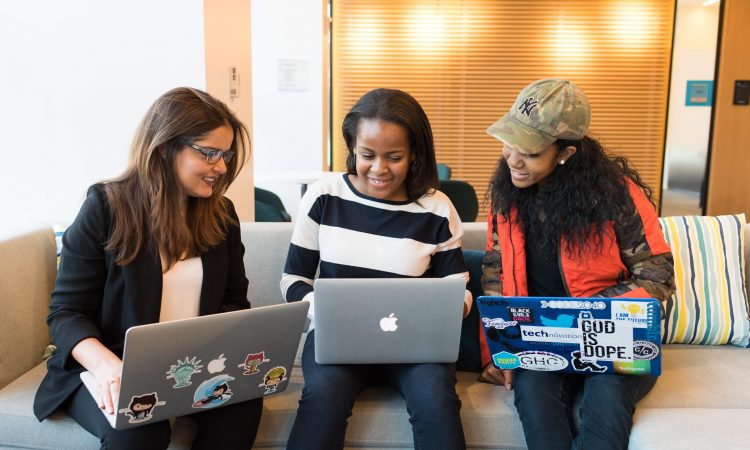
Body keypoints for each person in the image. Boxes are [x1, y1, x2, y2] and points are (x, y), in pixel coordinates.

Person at [33, 87, 263, 450]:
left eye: (227, 155)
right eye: (210, 153)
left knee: (243, 407)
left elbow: (234, 302)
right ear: (165, 147)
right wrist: (109, 367)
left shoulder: (222, 215)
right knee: (142, 428)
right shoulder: (105, 207)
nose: (221, 166)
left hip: (193, 369)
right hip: (108, 369)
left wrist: (222, 356)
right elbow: (66, 313)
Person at [479, 78, 675, 450]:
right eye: (509, 143)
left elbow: (656, 274)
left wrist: (585, 314)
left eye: (531, 151)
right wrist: (498, 351)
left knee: (607, 398)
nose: (513, 159)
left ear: (565, 152)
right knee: (533, 396)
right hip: (539, 340)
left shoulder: (616, 195)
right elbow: (495, 271)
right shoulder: (506, 195)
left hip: (615, 338)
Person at [281, 88, 471, 449]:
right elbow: (294, 279)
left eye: (394, 157)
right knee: (323, 396)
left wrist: (451, 310)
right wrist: (327, 313)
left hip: (416, 346)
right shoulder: (325, 197)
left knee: (437, 401)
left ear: (415, 153)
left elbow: (458, 287)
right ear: (352, 147)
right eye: (367, 155)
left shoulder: (437, 208)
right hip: (337, 340)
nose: (379, 169)